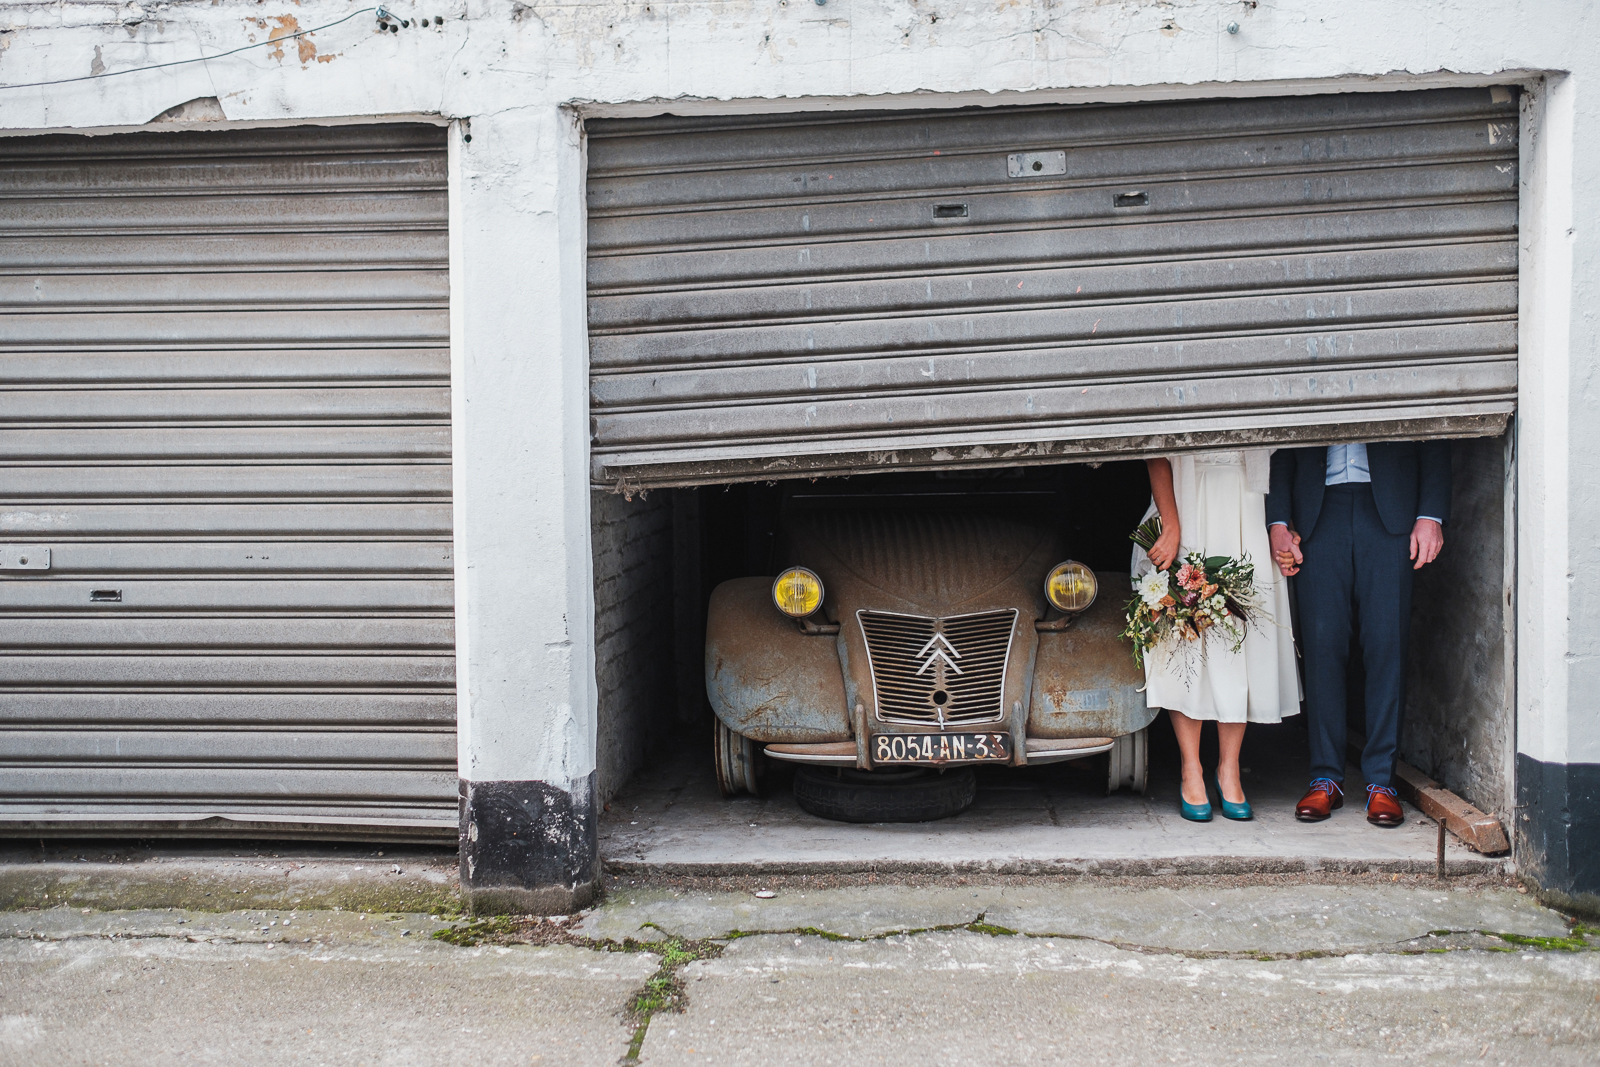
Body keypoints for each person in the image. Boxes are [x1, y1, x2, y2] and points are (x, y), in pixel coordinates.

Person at [1266, 441, 1451, 827]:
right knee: (1322, 646)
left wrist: (1430, 513)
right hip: (1318, 513)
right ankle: (1325, 779)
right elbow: (1282, 441)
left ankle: (1382, 783)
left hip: (1392, 512)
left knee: (1387, 645)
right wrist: (1278, 520)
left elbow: (1433, 430)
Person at [1133, 450, 1300, 822]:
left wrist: (1281, 523)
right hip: (1187, 501)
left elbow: (1281, 450)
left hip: (1249, 504)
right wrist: (1170, 525)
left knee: (1240, 638)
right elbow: (1154, 450)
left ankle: (1229, 768)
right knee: (1185, 635)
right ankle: (1190, 769)